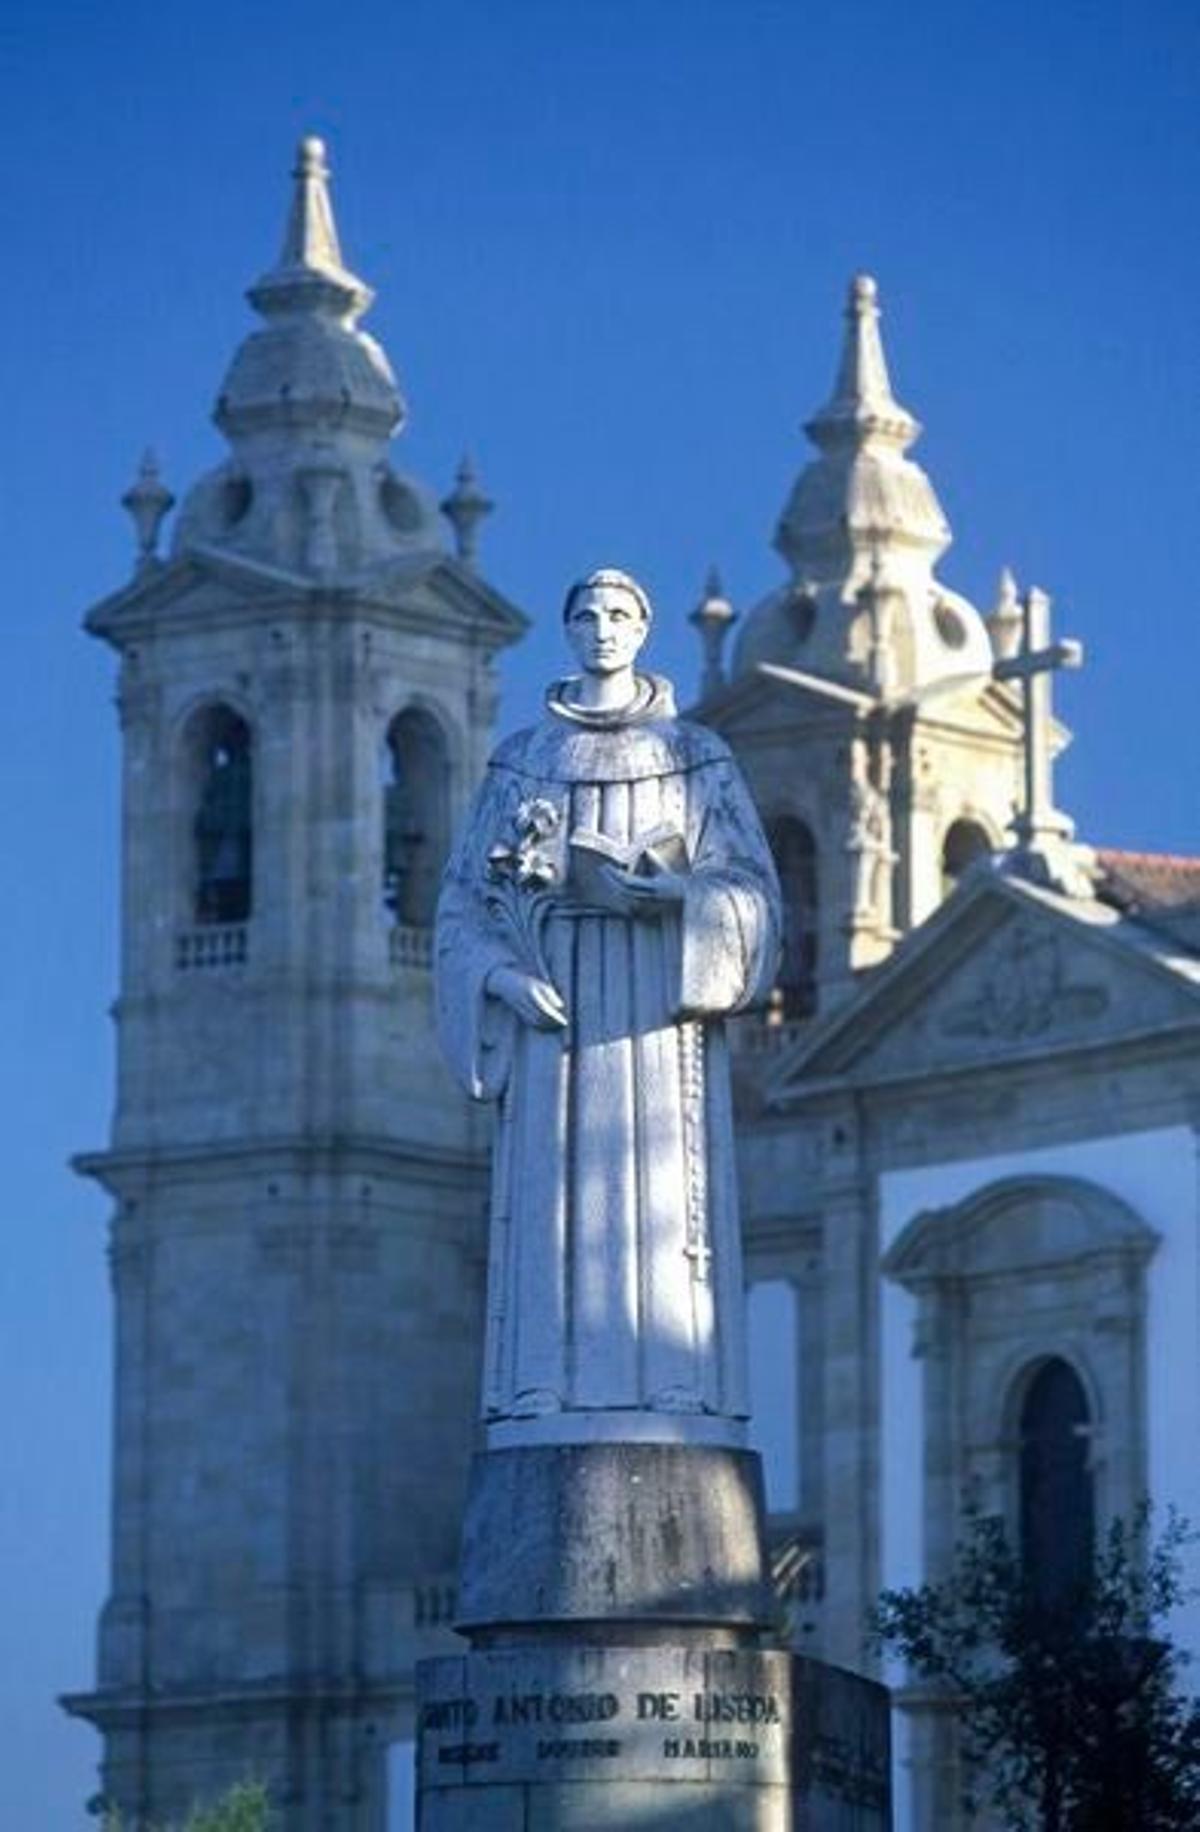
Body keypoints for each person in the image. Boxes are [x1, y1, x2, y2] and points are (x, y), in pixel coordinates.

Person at [435, 568, 781, 1445]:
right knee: (557, 1196)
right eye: (585, 613)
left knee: (660, 1186)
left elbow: (753, 890)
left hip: (658, 1016)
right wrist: (504, 981)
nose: (601, 628)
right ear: (567, 629)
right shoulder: (522, 762)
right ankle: (543, 1385)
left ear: (644, 628)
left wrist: (677, 897)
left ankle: (671, 1374)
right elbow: (461, 906)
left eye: (619, 614)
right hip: (557, 1016)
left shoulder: (695, 757)